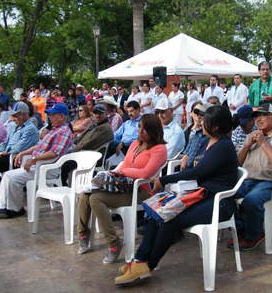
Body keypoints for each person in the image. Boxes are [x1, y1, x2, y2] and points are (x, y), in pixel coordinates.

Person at [114, 106, 238, 285]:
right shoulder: (207, 141)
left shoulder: (224, 146)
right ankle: (140, 262)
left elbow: (197, 172)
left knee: (169, 220)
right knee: (155, 210)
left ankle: (146, 265)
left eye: (206, 120)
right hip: (200, 195)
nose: (201, 122)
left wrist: (164, 180)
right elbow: (190, 168)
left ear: (216, 126)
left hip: (219, 202)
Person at [77, 114, 168, 263]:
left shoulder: (159, 149)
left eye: (146, 128)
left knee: (96, 199)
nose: (141, 131)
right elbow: (125, 165)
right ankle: (83, 234)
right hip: (124, 185)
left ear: (154, 130)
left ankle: (114, 244)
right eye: (139, 127)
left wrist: (123, 172)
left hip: (142, 191)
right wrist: (113, 173)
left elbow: (146, 173)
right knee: (86, 195)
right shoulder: (135, 144)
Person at [0, 103, 74, 219]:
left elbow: (54, 153)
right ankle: (4, 206)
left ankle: (14, 209)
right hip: (39, 165)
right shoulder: (54, 130)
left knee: (13, 178)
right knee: (7, 175)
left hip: (48, 168)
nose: (50, 118)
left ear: (61, 116)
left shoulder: (64, 132)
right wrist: (23, 153)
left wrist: (34, 159)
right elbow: (38, 146)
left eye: (52, 115)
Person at [230, 103, 272, 250]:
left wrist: (264, 143)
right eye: (255, 117)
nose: (258, 120)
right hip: (247, 180)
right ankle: (241, 228)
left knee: (251, 200)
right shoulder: (251, 136)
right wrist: (247, 145)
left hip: (270, 183)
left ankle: (255, 234)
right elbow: (237, 164)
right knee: (223, 195)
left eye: (262, 115)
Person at [60, 104, 114, 186]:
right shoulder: (94, 124)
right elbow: (81, 138)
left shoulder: (105, 128)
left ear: (105, 114)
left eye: (100, 113)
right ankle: (61, 185)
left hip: (90, 157)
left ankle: (62, 187)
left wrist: (74, 150)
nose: (97, 115)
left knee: (64, 163)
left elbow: (90, 144)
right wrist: (71, 143)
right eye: (95, 113)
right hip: (81, 152)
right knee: (60, 154)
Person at [180, 102, 210, 171]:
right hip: (188, 173)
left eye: (202, 115)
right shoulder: (195, 135)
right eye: (197, 114)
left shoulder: (216, 140)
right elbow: (186, 155)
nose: (199, 117)